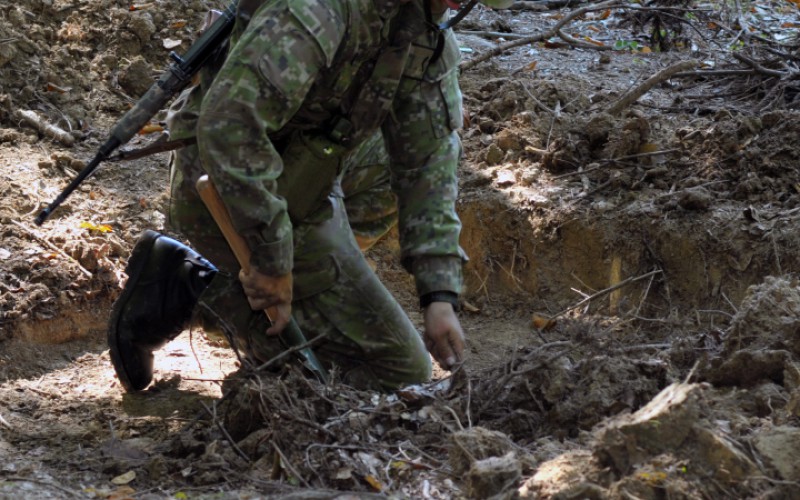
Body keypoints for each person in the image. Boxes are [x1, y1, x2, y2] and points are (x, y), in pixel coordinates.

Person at [107, 0, 511, 393]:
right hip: (225, 183)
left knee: (394, 161)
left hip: (306, 167)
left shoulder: (422, 24)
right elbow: (231, 127)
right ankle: (194, 291)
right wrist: (272, 260)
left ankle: (311, 289)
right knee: (398, 373)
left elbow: (428, 163)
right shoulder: (321, 10)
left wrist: (438, 295)